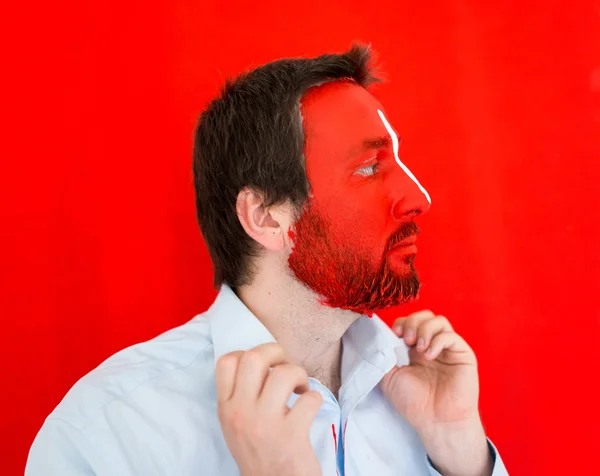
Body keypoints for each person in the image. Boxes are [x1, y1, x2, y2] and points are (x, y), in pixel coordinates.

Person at [26, 45, 508, 475]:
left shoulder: (424, 394)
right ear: (265, 217)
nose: (418, 197)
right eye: (367, 168)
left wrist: (463, 456)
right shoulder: (106, 436)